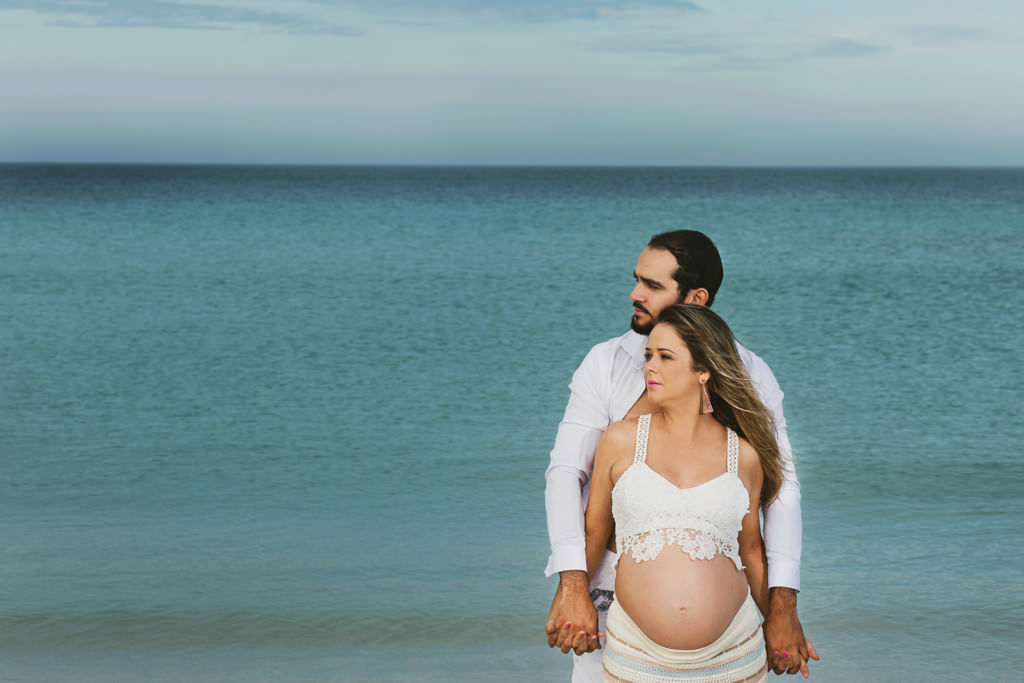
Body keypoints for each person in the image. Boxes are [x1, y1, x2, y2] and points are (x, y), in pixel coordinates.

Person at [544, 231, 817, 680]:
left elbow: (779, 493)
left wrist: (782, 607)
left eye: (653, 286)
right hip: (607, 596)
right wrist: (572, 582)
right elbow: (566, 473)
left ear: (696, 297)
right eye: (637, 280)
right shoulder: (606, 363)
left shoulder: (749, 374)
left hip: (726, 633)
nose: (635, 294)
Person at [584, 303, 780, 681]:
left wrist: (779, 618)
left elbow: (751, 551)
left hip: (734, 658)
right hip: (635, 659)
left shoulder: (745, 456)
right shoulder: (620, 440)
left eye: (665, 357)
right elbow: (593, 534)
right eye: (648, 356)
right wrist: (570, 595)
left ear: (703, 371)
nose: (650, 367)